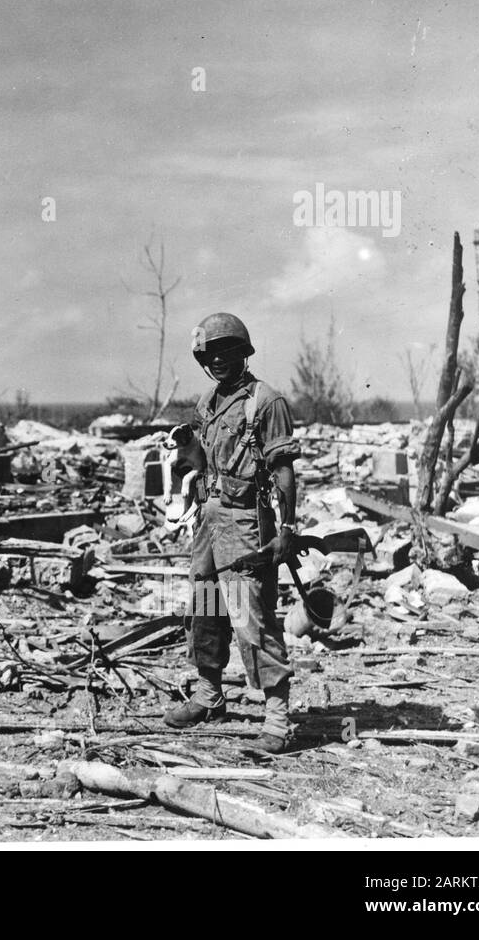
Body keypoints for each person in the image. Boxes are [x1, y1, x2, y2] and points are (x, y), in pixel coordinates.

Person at [163, 312, 300, 753]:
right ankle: (209, 694)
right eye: (210, 354)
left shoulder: (266, 402)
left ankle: (277, 720)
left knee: (249, 617)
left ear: (243, 353)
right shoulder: (209, 403)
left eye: (226, 352)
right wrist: (188, 447)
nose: (218, 361)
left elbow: (283, 469)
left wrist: (288, 527)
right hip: (210, 518)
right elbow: (205, 463)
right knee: (204, 606)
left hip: (244, 523)